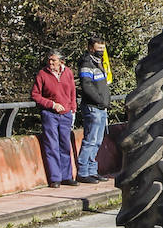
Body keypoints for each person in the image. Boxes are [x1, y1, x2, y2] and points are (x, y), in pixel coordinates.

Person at [31, 49, 78, 188]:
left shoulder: (68, 72)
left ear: (61, 62)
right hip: (50, 114)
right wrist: (51, 104)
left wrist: (73, 108)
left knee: (65, 144)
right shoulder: (42, 74)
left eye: (54, 60)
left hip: (66, 114)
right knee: (51, 145)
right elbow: (35, 95)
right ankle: (55, 177)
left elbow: (72, 92)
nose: (51, 63)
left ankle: (67, 176)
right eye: (50, 60)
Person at [75, 35, 111, 184]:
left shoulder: (99, 63)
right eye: (98, 48)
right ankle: (83, 172)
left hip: (101, 108)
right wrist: (100, 100)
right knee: (90, 140)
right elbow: (87, 86)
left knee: (97, 141)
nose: (101, 51)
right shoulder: (87, 64)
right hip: (92, 107)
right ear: (91, 48)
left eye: (103, 48)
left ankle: (92, 170)